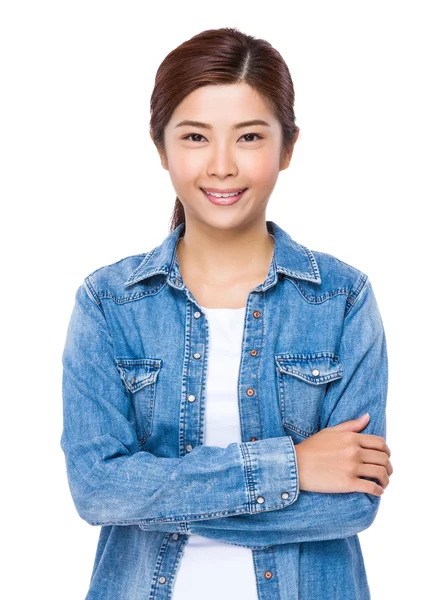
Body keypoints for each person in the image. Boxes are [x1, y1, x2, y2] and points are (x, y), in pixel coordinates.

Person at [60, 26, 393, 600]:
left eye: (248, 137)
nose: (221, 166)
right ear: (160, 146)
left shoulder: (341, 300)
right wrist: (291, 467)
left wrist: (154, 495)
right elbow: (97, 491)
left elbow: (351, 506)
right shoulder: (108, 304)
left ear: (287, 147)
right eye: (194, 136)